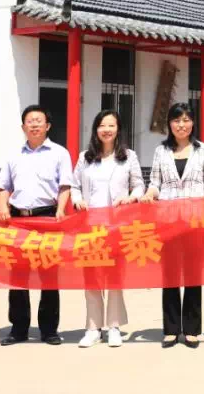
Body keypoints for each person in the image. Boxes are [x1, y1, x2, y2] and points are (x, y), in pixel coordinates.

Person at [142, 102, 204, 348]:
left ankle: (192, 329)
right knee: (170, 275)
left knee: (193, 274)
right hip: (168, 220)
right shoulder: (161, 151)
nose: (181, 125)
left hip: (196, 220)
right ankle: (171, 329)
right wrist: (150, 193)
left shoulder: (203, 150)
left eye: (186, 120)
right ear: (170, 124)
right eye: (176, 120)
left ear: (193, 123)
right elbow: (155, 182)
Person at [0, 105, 72, 346]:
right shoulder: (14, 155)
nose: (35, 125)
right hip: (19, 219)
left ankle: (49, 330)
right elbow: (3, 186)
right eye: (30, 121)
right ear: (23, 127)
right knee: (18, 275)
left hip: (47, 217)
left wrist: (61, 209)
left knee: (49, 274)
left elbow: (65, 186)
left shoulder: (59, 153)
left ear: (48, 126)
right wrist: (2, 206)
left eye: (39, 121)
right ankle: (18, 329)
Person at [71, 109, 144, 348]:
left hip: (117, 224)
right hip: (90, 225)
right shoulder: (85, 157)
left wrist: (131, 198)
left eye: (111, 125)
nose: (107, 130)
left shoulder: (128, 156)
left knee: (114, 277)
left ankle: (113, 326)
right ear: (96, 129)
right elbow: (74, 186)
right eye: (102, 125)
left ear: (118, 129)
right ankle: (93, 328)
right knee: (91, 277)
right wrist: (77, 199)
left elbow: (139, 185)